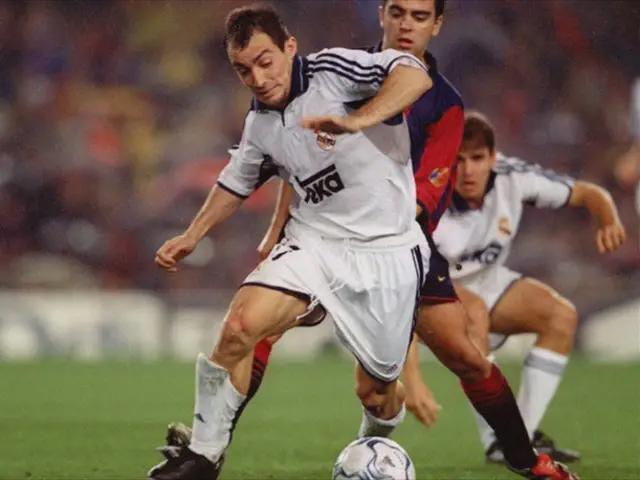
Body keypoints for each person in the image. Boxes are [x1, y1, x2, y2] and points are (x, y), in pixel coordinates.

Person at [184, 1, 578, 479]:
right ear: (381, 15)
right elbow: (297, 157)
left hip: (399, 243)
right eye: (397, 12)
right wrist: (276, 227)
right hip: (321, 241)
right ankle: (208, 446)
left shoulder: (440, 101)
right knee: (254, 325)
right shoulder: (342, 69)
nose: (406, 24)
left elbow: (430, 188)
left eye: (419, 16)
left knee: (457, 358)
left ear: (437, 25)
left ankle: (522, 458)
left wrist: (366, 179)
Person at [148, 4, 434, 479]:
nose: (258, 79)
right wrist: (192, 235)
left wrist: (358, 120)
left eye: (265, 61)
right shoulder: (260, 123)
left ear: (289, 48)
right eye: (244, 70)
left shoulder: (334, 71)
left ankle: (374, 445)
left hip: (386, 252)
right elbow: (237, 180)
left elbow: (414, 75)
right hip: (315, 242)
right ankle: (202, 456)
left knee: (377, 392)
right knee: (239, 326)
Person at [432, 111, 626, 463]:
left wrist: (608, 218)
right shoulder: (428, 191)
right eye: (458, 160)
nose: (468, 170)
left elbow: (587, 193)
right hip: (439, 288)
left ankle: (515, 439)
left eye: (477, 158)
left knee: (561, 316)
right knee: (474, 311)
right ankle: (503, 440)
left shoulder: (514, 177)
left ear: (493, 158)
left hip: (490, 280)